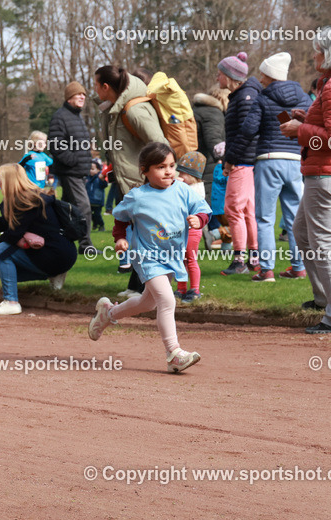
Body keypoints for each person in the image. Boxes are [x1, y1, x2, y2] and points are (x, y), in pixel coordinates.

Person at [90, 142, 211, 372]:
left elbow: (203, 209)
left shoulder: (183, 189)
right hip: (147, 256)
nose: (168, 171)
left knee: (148, 302)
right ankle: (173, 353)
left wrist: (199, 219)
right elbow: (121, 219)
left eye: (172, 166)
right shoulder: (137, 196)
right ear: (144, 170)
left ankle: (109, 313)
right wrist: (120, 239)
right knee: (167, 300)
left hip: (171, 256)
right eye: (161, 167)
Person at [279, 26, 331, 334]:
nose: (315, 55)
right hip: (330, 171)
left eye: (318, 50)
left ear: (330, 53)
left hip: (326, 174)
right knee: (301, 232)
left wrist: (297, 131)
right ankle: (325, 300)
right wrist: (305, 120)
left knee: (323, 246)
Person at [94, 65, 168, 297]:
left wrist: (150, 177)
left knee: (146, 238)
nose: (94, 90)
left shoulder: (134, 110)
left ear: (106, 87)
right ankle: (137, 286)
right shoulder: (117, 109)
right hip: (129, 182)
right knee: (138, 236)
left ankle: (147, 288)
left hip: (141, 183)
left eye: (96, 85)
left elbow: (159, 144)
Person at [239, 52, 312, 282]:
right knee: (295, 218)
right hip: (295, 162)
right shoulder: (304, 98)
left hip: (269, 160)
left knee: (265, 218)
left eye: (263, 74)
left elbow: (249, 130)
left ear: (271, 76)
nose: (260, 79)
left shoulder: (262, 98)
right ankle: (298, 267)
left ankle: (266, 269)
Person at [0, 163, 79, 314]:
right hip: (62, 253)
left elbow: (12, 234)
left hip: (55, 254)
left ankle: (11, 301)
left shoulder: (26, 203)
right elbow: (5, 225)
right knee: (6, 269)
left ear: (9, 181)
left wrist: (10, 237)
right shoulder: (30, 197)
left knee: (3, 251)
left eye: (0, 179)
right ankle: (54, 275)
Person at [218, 51, 263, 275]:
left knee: (233, 209)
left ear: (230, 76)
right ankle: (253, 258)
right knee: (246, 211)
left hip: (243, 162)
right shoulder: (242, 96)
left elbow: (246, 134)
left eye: (220, 74)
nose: (217, 79)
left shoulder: (245, 97)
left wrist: (230, 160)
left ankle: (239, 260)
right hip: (246, 161)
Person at [48, 81, 97, 254]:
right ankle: (85, 245)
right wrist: (73, 160)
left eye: (84, 94)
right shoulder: (60, 117)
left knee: (66, 210)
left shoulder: (77, 117)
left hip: (78, 171)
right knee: (84, 208)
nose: (83, 97)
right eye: (78, 94)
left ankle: (59, 240)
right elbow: (56, 144)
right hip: (70, 171)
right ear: (69, 98)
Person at [173, 151, 207, 302]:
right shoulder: (187, 186)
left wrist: (177, 183)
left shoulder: (196, 189)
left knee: (190, 259)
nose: (179, 175)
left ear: (192, 175)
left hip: (192, 231)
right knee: (181, 260)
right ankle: (181, 288)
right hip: (181, 230)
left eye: (182, 173)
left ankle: (195, 289)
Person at [191, 87, 228, 205]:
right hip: (208, 168)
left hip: (197, 165)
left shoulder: (198, 110)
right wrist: (226, 159)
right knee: (212, 208)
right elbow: (214, 141)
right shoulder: (213, 113)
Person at [85, 160, 108, 231]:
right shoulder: (87, 178)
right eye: (89, 169)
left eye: (92, 169)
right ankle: (95, 224)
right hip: (89, 201)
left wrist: (103, 180)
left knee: (97, 215)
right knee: (89, 215)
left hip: (97, 201)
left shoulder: (99, 178)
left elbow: (105, 185)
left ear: (98, 170)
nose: (90, 171)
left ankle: (101, 225)